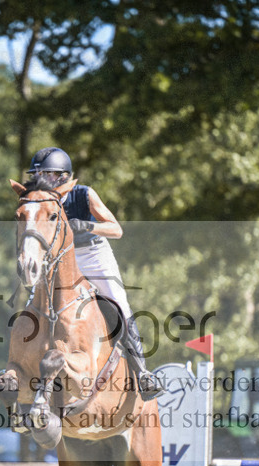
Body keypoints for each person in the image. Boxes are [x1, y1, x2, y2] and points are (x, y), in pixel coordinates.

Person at [26, 146, 163, 400]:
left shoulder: (83, 194)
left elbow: (116, 229)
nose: (39, 179)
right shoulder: (38, 199)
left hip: (92, 254)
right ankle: (20, 365)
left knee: (119, 303)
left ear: (63, 176)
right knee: (33, 302)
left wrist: (87, 225)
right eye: (37, 175)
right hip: (60, 257)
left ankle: (142, 373)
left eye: (45, 174)